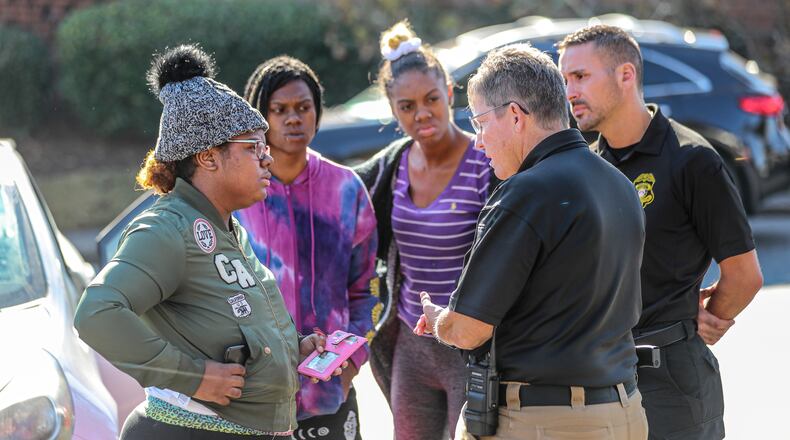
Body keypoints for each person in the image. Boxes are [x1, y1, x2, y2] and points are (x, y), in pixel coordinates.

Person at [73, 44, 341, 439]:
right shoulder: (168, 229)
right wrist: (192, 376)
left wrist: (292, 349)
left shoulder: (228, 230)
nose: (268, 159)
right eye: (254, 148)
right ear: (208, 158)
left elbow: (226, 325)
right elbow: (96, 313)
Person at [417, 43, 649, 440]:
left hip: (545, 420)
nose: (478, 141)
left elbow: (469, 329)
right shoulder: (620, 184)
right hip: (623, 410)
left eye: (479, 122)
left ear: (514, 115)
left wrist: (440, 321)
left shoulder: (526, 193)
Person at [557, 25, 763, 440]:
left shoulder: (692, 160)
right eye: (565, 80)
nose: (569, 91)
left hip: (671, 377)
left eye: (580, 76)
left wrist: (712, 318)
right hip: (599, 376)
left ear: (626, 75)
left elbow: (745, 274)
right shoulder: (586, 168)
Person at [353, 20, 497, 440]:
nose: (422, 113)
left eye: (432, 99)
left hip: (469, 346)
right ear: (393, 110)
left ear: (450, 93)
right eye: (407, 106)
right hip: (411, 348)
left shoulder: (487, 162)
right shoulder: (390, 167)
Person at [234, 56, 378, 440]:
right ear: (259, 117)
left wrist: (351, 365)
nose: (292, 119)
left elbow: (368, 290)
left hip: (329, 394)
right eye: (278, 110)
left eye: (303, 107)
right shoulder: (236, 196)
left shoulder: (347, 190)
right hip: (253, 399)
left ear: (317, 112)